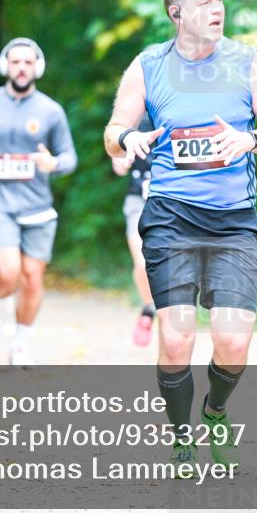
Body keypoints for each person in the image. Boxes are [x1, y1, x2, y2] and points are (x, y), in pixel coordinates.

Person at [104, 0, 257, 472]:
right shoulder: (147, 66)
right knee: (177, 337)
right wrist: (129, 138)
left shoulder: (248, 62)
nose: (217, 8)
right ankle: (181, 436)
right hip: (170, 215)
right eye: (205, 1)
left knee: (233, 340)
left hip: (233, 220)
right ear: (176, 12)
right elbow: (113, 131)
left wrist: (250, 139)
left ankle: (215, 411)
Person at [0, 37, 77, 365]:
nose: (21, 68)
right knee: (9, 273)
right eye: (15, 62)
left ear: (37, 67)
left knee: (33, 277)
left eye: (27, 62)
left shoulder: (51, 111)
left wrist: (54, 163)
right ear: (4, 66)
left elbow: (69, 157)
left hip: (38, 207)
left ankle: (21, 341)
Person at [111, 117, 156, 347]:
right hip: (139, 199)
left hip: (178, 199)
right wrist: (120, 158)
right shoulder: (133, 109)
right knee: (142, 263)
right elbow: (118, 161)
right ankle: (149, 309)